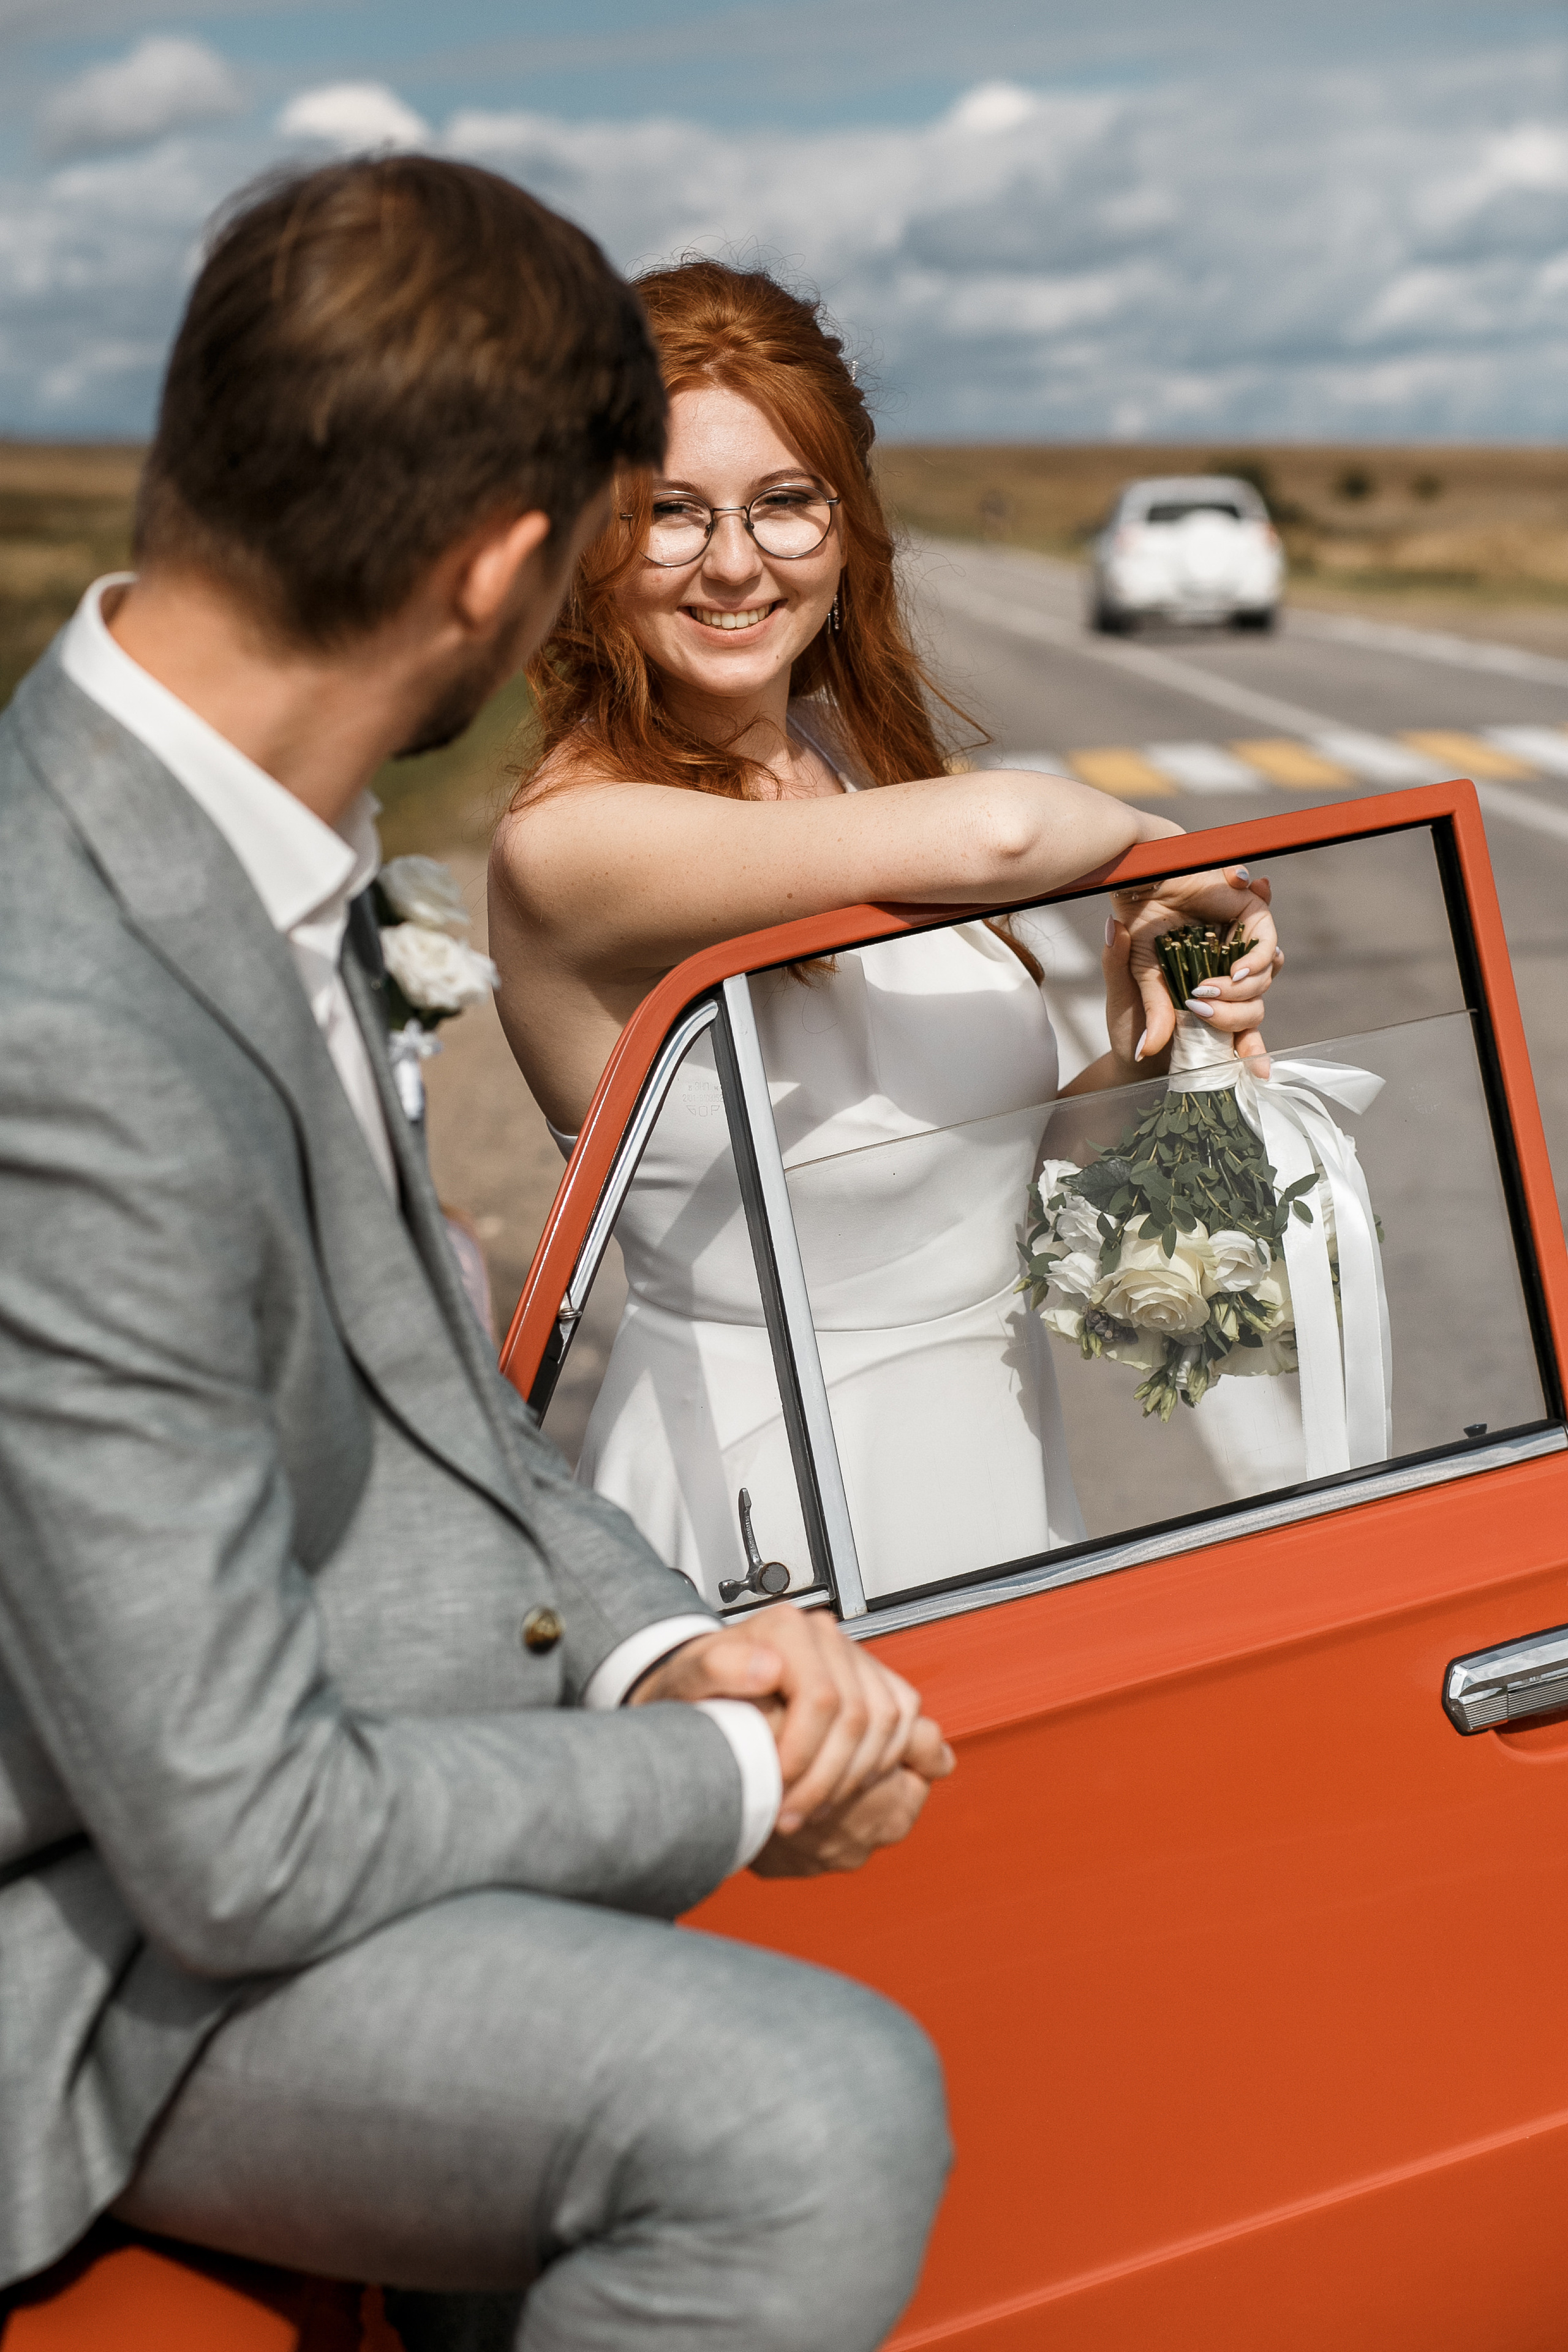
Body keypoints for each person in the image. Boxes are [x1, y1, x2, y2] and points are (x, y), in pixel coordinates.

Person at [0, 162, 957, 2352]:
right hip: (80, 1955)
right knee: (813, 2110)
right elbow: (232, 1843)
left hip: (278, 1797)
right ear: (513, 570)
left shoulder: (246, 834)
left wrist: (654, 1654)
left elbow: (445, 1397)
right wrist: (742, 1775)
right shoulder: (59, 1033)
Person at [489, 260, 1283, 1607]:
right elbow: (1005, 839)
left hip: (996, 1463)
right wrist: (1179, 859)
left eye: (784, 503)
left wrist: (1154, 1037)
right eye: (668, 513)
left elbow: (1003, 1182)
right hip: (763, 1518)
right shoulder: (569, 845)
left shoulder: (833, 779)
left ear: (848, 529)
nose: (733, 563)